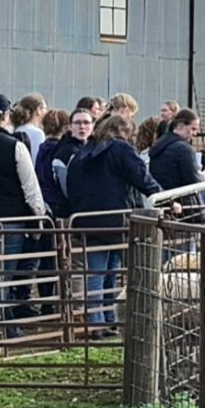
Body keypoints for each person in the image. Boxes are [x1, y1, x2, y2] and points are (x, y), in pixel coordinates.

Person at [64, 110, 155, 333]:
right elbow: (141, 177)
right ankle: (100, 321)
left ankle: (103, 320)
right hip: (116, 219)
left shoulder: (83, 152)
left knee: (100, 272)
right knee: (106, 273)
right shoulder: (120, 149)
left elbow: (71, 184)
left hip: (88, 220)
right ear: (123, 131)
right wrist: (163, 197)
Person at [0, 101, 50, 328]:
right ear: (6, 115)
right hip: (12, 221)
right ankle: (4, 328)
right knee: (5, 276)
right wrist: (39, 219)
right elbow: (31, 188)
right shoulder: (15, 146)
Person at [39, 106, 94, 218]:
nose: (82, 126)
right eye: (77, 123)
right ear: (70, 126)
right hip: (69, 211)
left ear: (93, 126)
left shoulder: (94, 148)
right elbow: (65, 189)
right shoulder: (65, 151)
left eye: (86, 123)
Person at [149, 109, 205, 195]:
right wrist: (200, 177)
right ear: (181, 125)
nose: (195, 134)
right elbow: (192, 181)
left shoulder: (159, 144)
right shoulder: (184, 149)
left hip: (161, 197)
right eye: (193, 129)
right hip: (182, 199)